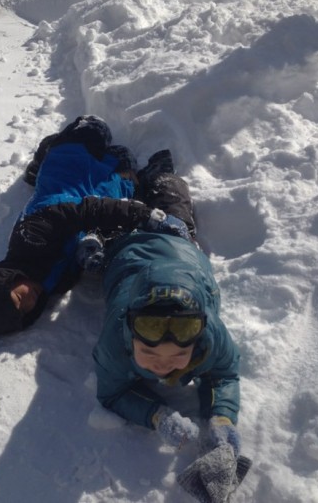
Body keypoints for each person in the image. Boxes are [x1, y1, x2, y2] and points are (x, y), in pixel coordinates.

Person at [0, 115, 189, 336]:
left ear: (3, 279)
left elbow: (88, 211)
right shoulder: (48, 285)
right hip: (99, 190)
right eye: (26, 311)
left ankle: (49, 150)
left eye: (19, 299)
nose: (30, 302)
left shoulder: (30, 237)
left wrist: (147, 215)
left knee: (94, 129)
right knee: (126, 168)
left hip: (68, 172)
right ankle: (126, 168)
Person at [92, 169, 242, 458]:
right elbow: (111, 393)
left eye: (176, 356)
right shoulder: (116, 338)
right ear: (130, 337)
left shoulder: (209, 334)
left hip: (177, 246)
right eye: (149, 353)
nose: (162, 366)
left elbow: (224, 374)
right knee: (132, 203)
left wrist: (222, 418)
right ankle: (133, 174)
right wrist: (157, 416)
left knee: (168, 193)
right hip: (130, 246)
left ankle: (158, 171)